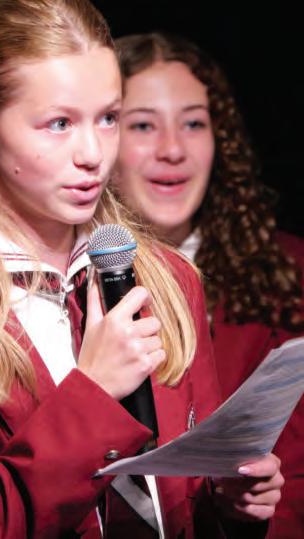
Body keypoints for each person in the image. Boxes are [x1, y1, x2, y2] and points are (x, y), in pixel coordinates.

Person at [0, 2, 283, 536]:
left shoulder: (169, 278)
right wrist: (94, 393)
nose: (93, 153)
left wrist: (231, 506)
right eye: (59, 124)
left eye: (108, 118)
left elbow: (186, 503)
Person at [114, 31, 304, 538]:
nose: (173, 149)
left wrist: (244, 512)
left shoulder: (291, 276)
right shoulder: (62, 288)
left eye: (194, 123)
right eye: (143, 125)